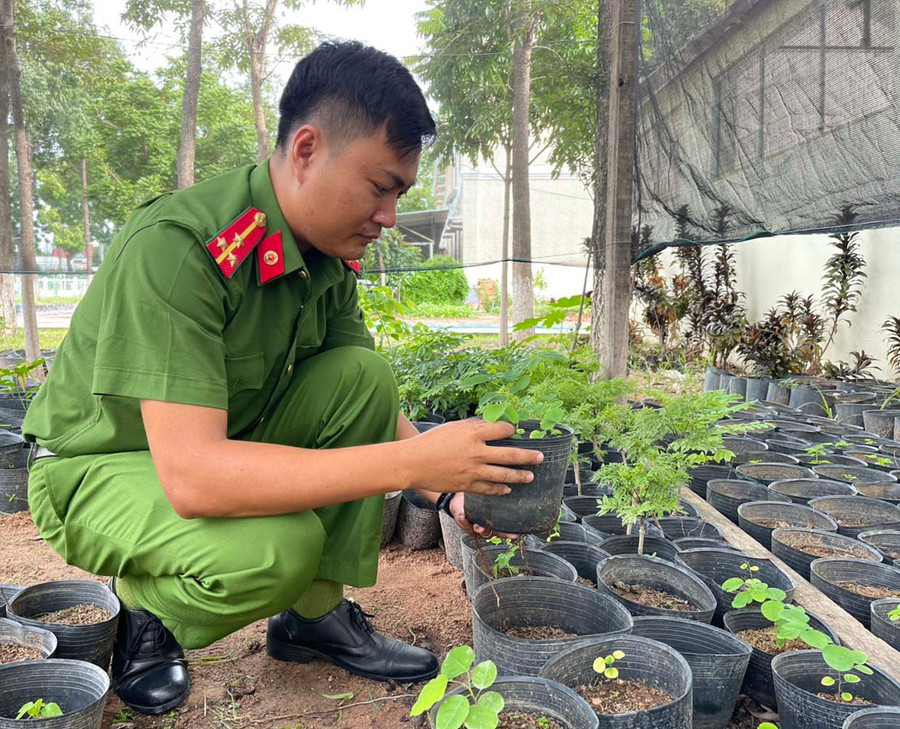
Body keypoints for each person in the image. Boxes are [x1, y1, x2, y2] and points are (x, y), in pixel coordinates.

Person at [22, 41, 541, 715]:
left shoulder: (322, 257)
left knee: (363, 375)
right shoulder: (182, 249)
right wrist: (409, 460)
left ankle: (311, 619)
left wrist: (446, 491)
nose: (389, 216)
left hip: (206, 445)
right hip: (97, 467)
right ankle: (148, 610)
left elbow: (369, 401)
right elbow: (196, 475)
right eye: (381, 187)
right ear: (305, 150)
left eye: (401, 194)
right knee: (279, 547)